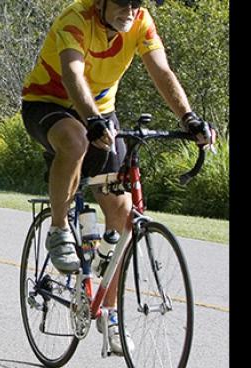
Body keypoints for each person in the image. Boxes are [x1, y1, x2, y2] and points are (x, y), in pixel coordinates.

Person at [20, 0, 215, 355]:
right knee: (76, 140)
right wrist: (91, 119)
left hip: (101, 113)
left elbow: (162, 72)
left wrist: (189, 118)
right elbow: (72, 74)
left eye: (136, 2)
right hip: (48, 103)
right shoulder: (76, 18)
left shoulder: (140, 21)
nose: (130, 9)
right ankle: (60, 229)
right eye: (122, 1)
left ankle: (108, 312)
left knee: (124, 218)